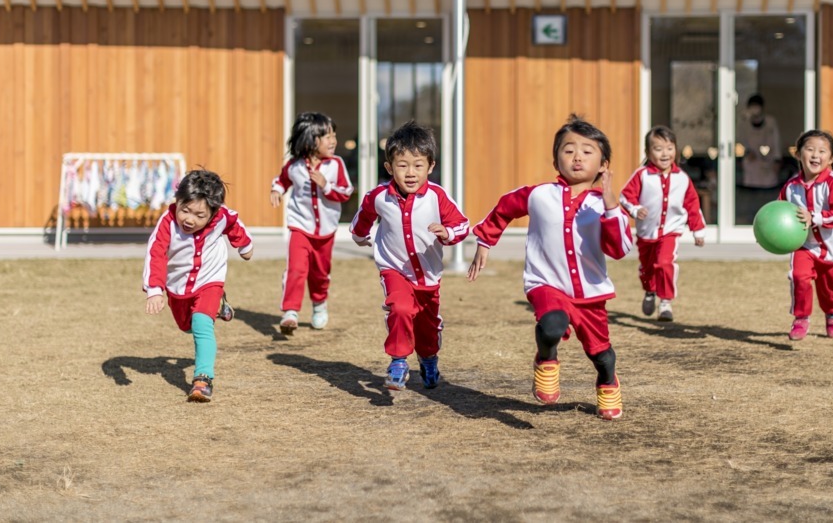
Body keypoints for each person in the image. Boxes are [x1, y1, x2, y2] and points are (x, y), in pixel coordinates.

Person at [467, 115, 633, 421]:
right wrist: (484, 241)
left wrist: (611, 206)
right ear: (556, 161)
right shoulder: (539, 195)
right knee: (552, 325)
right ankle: (546, 359)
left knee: (601, 354)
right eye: (568, 150)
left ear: (603, 165)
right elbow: (503, 208)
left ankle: (608, 381)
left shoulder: (605, 206)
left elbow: (620, 249)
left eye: (587, 151)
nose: (577, 157)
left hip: (590, 293)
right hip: (546, 284)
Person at [349, 121, 469, 391]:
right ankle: (398, 361)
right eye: (402, 166)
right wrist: (360, 236)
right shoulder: (380, 196)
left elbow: (462, 225)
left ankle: (428, 359)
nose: (411, 173)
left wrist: (447, 232)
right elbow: (363, 217)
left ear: (431, 167)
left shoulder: (437, 197)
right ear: (390, 168)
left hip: (429, 276)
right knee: (400, 308)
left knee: (427, 329)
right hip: (394, 269)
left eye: (418, 165)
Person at [143, 170, 254, 402]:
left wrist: (244, 246)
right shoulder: (167, 223)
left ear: (212, 213)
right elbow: (156, 254)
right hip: (178, 286)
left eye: (199, 215)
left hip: (210, 279)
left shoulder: (221, 216)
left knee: (202, 324)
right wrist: (155, 290)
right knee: (186, 326)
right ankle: (220, 306)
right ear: (177, 201)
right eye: (185, 210)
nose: (189, 219)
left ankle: (203, 379)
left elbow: (235, 224)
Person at [270, 112, 354, 334]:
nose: (333, 140)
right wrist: (276, 190)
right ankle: (290, 312)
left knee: (320, 272)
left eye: (334, 135)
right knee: (296, 269)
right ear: (309, 139)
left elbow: (346, 192)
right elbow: (282, 180)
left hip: (326, 230)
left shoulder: (336, 165)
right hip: (300, 226)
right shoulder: (294, 166)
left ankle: (319, 304)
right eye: (327, 136)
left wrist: (326, 185)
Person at [620, 125, 706, 322]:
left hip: (671, 230)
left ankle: (666, 302)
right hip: (646, 232)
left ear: (675, 150)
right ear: (648, 153)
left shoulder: (682, 178)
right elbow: (625, 196)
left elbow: (692, 204)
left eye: (669, 148)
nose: (665, 153)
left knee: (665, 263)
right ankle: (649, 291)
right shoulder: (642, 175)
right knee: (648, 268)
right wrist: (635, 209)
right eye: (658, 149)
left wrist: (698, 230)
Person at [779, 129, 833, 341]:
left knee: (828, 290)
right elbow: (778, 213)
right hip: (803, 245)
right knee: (799, 277)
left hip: (830, 248)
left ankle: (832, 313)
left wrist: (815, 217)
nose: (815, 155)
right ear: (798, 154)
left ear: (830, 158)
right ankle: (801, 318)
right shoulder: (791, 187)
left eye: (822, 151)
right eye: (809, 150)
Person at [738, 94, 782, 189]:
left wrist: (777, 160)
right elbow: (742, 140)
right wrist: (748, 152)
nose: (755, 109)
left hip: (768, 161)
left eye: (756, 106)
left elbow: (776, 141)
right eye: (752, 106)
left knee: (768, 184)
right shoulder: (745, 124)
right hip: (752, 160)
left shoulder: (771, 122)